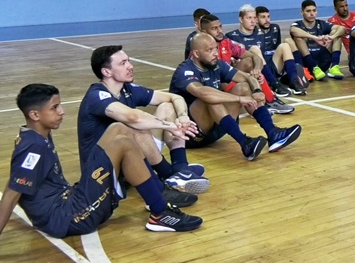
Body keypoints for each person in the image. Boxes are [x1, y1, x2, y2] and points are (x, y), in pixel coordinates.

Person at [0, 84, 202, 237]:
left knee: (119, 129)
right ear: (35, 114)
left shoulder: (37, 133)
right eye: (55, 108)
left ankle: (159, 192)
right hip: (66, 217)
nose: (62, 111)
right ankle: (160, 212)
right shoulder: (33, 148)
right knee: (124, 144)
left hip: (67, 201)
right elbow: (11, 193)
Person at [78, 45, 209, 202]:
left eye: (129, 61)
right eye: (123, 63)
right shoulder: (97, 95)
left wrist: (182, 117)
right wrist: (171, 127)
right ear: (106, 72)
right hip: (104, 168)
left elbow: (174, 97)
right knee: (134, 127)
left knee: (167, 107)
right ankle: (166, 177)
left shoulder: (128, 89)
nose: (130, 66)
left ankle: (180, 168)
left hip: (129, 159)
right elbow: (134, 118)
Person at [170, 33, 302, 161]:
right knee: (210, 98)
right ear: (196, 53)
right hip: (191, 135)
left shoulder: (216, 64)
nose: (215, 53)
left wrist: (257, 90)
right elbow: (203, 92)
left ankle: (273, 133)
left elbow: (247, 77)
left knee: (243, 87)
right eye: (209, 50)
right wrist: (238, 99)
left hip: (218, 127)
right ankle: (245, 143)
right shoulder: (185, 70)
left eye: (216, 48)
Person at [199, 15, 295, 115]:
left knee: (249, 62)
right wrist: (249, 78)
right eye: (214, 28)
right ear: (204, 32)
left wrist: (257, 70)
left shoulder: (226, 43)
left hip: (228, 80)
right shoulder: (200, 51)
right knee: (245, 83)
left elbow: (255, 57)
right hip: (215, 87)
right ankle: (259, 106)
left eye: (220, 27)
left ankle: (270, 100)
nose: (219, 31)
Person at [226, 4, 292, 97]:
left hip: (264, 69)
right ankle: (274, 84)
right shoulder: (231, 36)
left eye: (254, 18)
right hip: (249, 72)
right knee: (254, 49)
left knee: (284, 45)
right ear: (241, 19)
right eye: (249, 18)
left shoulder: (260, 33)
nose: (253, 21)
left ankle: (293, 81)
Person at [255, 5, 307, 94]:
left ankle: (294, 81)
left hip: (274, 64)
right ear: (256, 19)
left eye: (268, 16)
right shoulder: (253, 32)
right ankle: (276, 82)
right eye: (263, 17)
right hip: (261, 68)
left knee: (285, 46)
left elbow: (277, 48)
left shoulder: (275, 28)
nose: (267, 20)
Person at [290, 0, 346, 81]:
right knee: (298, 38)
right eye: (308, 11)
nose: (312, 14)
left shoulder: (322, 23)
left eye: (314, 10)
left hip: (322, 60)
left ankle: (334, 66)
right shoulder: (297, 24)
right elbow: (293, 30)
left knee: (336, 33)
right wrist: (315, 38)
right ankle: (313, 68)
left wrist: (332, 37)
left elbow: (342, 28)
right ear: (302, 12)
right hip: (307, 63)